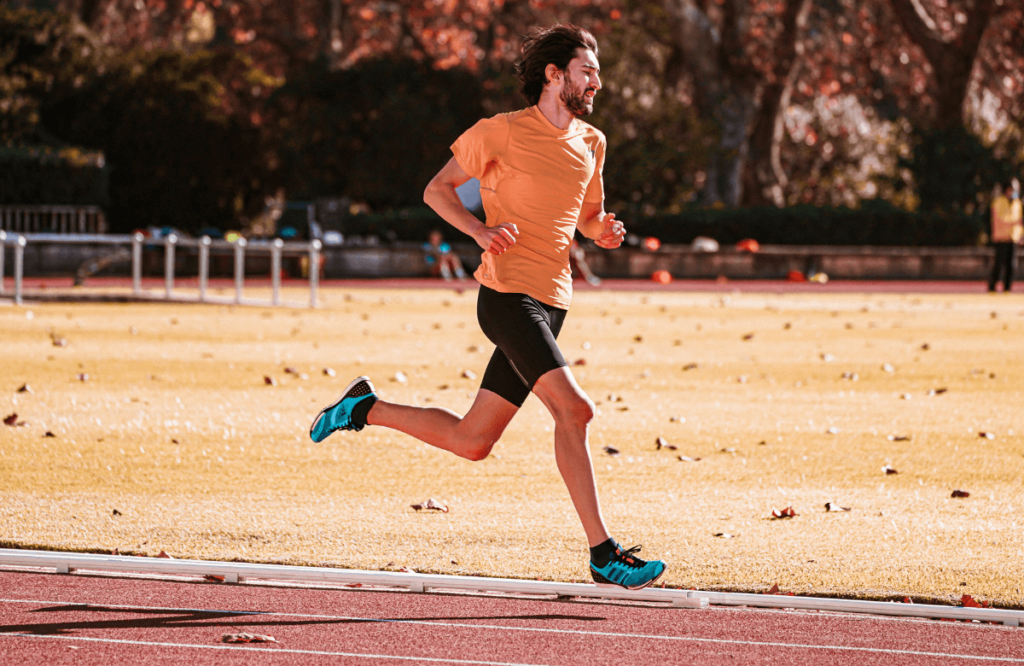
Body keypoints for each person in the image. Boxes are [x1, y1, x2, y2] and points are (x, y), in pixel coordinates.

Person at [309, 24, 666, 590]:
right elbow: (436, 190)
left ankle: (363, 408)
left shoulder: (592, 142)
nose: (597, 81)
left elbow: (588, 216)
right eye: (587, 70)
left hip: (554, 302)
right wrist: (479, 231)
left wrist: (604, 232)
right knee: (576, 412)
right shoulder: (499, 132)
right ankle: (604, 554)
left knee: (473, 442)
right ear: (555, 75)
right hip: (506, 297)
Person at [988, 181, 1023, 293]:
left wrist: (1021, 235)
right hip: (1001, 238)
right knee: (998, 265)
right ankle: (992, 288)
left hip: (1013, 239)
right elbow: (1000, 220)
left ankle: (1007, 289)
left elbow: (1020, 221)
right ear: (1007, 189)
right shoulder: (999, 202)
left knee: (1011, 266)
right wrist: (1014, 222)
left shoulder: (1017, 203)